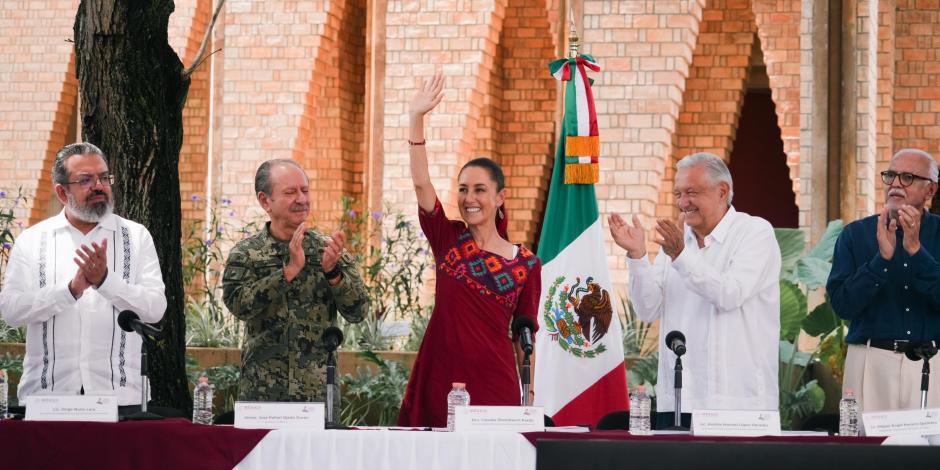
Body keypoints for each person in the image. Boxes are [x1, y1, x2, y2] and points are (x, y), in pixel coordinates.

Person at [397, 72, 542, 427]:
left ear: (499, 197)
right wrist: (416, 119)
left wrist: (530, 397)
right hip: (440, 378)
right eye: (463, 189)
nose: (469, 198)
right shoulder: (448, 240)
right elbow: (420, 184)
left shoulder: (526, 264)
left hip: (496, 383)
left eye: (479, 190)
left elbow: (526, 339)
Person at [608, 152, 780, 429]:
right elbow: (647, 309)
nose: (682, 202)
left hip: (736, 404)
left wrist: (680, 255)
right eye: (678, 193)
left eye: (691, 192)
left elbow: (729, 293)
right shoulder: (678, 242)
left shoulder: (755, 233)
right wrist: (638, 257)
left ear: (722, 191)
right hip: (678, 399)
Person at [0, 142, 167, 406]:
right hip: (47, 399)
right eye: (86, 180)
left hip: (120, 399)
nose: (99, 186)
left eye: (103, 177)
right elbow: (11, 310)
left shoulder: (135, 237)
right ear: (62, 192)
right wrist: (70, 291)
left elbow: (155, 309)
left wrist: (105, 281)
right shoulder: (33, 240)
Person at [222, 159, 369, 404]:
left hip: (318, 394)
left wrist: (333, 273)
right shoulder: (246, 253)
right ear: (265, 201)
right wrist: (286, 273)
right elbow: (239, 305)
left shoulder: (328, 250)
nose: (301, 199)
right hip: (263, 395)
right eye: (290, 192)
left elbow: (359, 311)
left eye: (305, 190)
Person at [827, 149, 940, 412]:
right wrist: (880, 262)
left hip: (932, 364)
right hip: (870, 361)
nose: (896, 184)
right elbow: (843, 306)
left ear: (930, 190)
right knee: (866, 451)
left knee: (930, 452)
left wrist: (916, 252)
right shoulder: (855, 235)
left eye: (908, 177)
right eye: (891, 175)